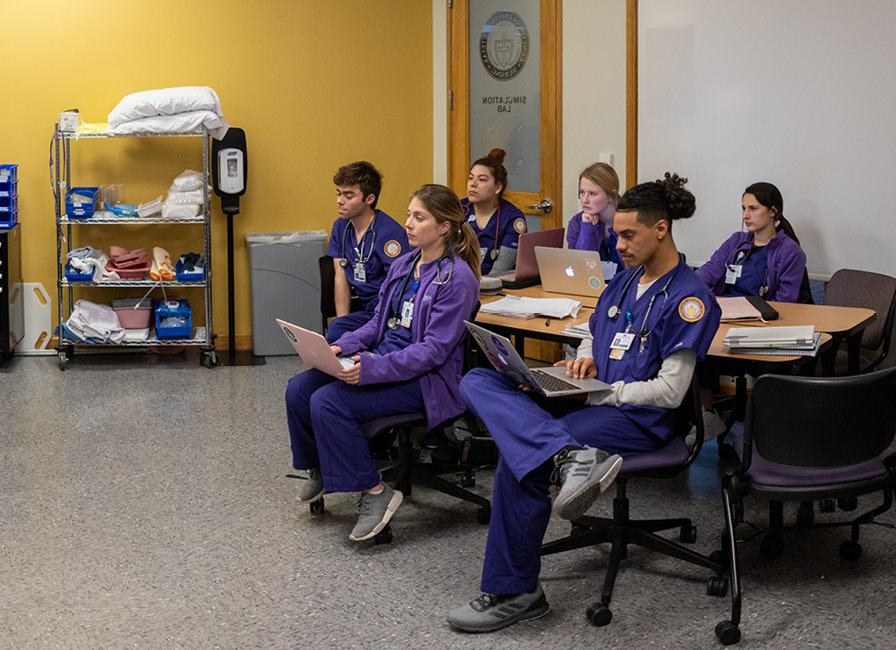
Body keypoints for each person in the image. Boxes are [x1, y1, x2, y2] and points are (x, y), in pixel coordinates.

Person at [447, 173, 719, 633]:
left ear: (661, 229)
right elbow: (590, 332)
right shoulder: (624, 281)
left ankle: (518, 592)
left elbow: (672, 391)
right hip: (589, 400)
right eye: (618, 234)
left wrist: (605, 392)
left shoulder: (691, 299)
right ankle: (568, 457)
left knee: (521, 460)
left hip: (639, 419)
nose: (620, 243)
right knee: (477, 378)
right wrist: (584, 362)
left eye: (629, 235)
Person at [285, 184, 480, 541]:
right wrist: (342, 348)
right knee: (300, 388)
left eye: (418, 218)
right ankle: (323, 468)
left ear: (443, 227)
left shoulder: (457, 279)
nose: (407, 223)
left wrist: (372, 368)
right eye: (408, 214)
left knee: (328, 402)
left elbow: (433, 352)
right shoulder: (406, 264)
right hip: (384, 360)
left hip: (426, 380)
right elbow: (377, 323)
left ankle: (376, 492)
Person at [323, 161, 411, 342]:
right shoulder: (341, 226)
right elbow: (340, 275)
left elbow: (400, 289)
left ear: (369, 199)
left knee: (343, 334)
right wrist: (343, 320)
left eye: (348, 195)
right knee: (337, 329)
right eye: (339, 194)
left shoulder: (390, 234)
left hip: (389, 311)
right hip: (365, 310)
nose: (339, 201)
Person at [694, 181, 808, 303]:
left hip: (764, 315)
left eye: (753, 209)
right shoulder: (736, 241)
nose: (745, 215)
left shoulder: (790, 251)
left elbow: (785, 301)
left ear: (772, 211)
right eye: (744, 208)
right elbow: (711, 270)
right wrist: (689, 284)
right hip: (725, 311)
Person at [463, 148, 529, 277]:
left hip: (493, 285)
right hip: (457, 281)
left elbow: (500, 269)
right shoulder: (458, 209)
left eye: (482, 180)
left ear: (498, 187)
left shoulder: (513, 218)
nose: (473, 184)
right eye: (471, 178)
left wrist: (474, 287)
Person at [564, 162, 624, 274]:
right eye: (582, 192)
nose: (584, 200)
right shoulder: (577, 223)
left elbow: (633, 267)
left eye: (592, 193)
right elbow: (578, 269)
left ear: (611, 195)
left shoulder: (629, 221)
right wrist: (587, 229)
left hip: (626, 287)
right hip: (590, 287)